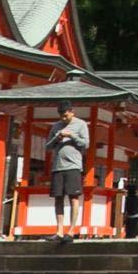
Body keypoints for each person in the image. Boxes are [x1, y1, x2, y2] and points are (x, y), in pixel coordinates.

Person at [45, 101, 89, 242]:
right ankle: (59, 231)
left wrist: (72, 136)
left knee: (73, 198)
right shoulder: (56, 126)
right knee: (58, 198)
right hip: (58, 166)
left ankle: (71, 231)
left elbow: (86, 144)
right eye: (61, 116)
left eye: (65, 116)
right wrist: (57, 138)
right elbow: (48, 146)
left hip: (73, 166)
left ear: (71, 112)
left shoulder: (81, 124)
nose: (63, 119)